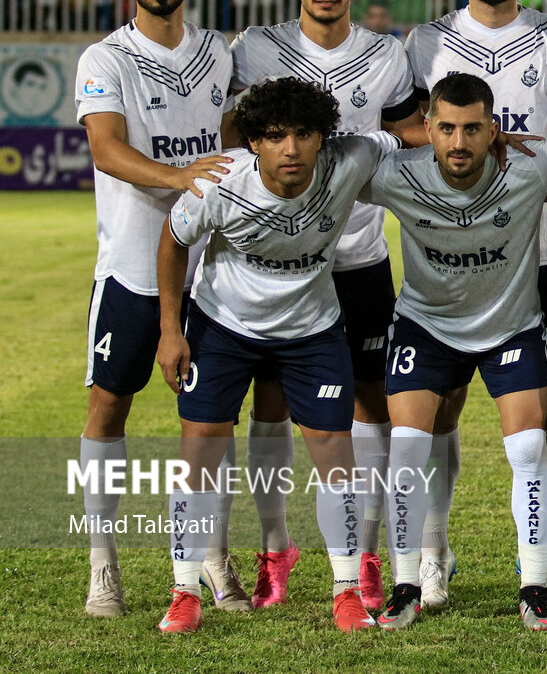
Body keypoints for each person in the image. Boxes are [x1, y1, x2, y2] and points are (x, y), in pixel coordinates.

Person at [154, 77, 399, 634]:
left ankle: (345, 593)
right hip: (224, 328)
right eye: (274, 136)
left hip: (312, 331)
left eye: (304, 134)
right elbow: (173, 239)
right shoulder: (219, 184)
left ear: (323, 137)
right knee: (198, 457)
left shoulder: (351, 158)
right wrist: (172, 330)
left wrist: (490, 139)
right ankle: (184, 592)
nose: (291, 148)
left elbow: (412, 139)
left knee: (336, 458)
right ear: (253, 142)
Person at [403, 0, 547, 609]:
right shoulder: (426, 44)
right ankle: (432, 553)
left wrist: (539, 151)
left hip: (536, 254)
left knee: (540, 412)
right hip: (447, 256)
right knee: (439, 407)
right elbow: (404, 129)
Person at [229, 0, 420, 612]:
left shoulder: (385, 56)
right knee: (273, 404)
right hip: (281, 261)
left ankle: (363, 555)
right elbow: (232, 137)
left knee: (373, 408)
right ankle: (275, 549)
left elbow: (411, 131)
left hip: (360, 257)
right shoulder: (255, 49)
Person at [360, 73, 547, 632]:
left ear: (494, 131)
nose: (460, 143)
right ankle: (408, 583)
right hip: (426, 327)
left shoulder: (533, 167)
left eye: (474, 129)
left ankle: (535, 586)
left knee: (529, 448)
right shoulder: (395, 173)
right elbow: (331, 164)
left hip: (511, 328)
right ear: (427, 130)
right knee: (407, 451)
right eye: (448, 129)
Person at [75, 0, 241, 618]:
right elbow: (107, 150)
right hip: (132, 273)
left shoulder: (220, 56)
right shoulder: (105, 57)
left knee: (206, 421)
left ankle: (205, 550)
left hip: (212, 275)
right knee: (108, 407)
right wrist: (182, 176)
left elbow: (233, 145)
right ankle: (102, 563)